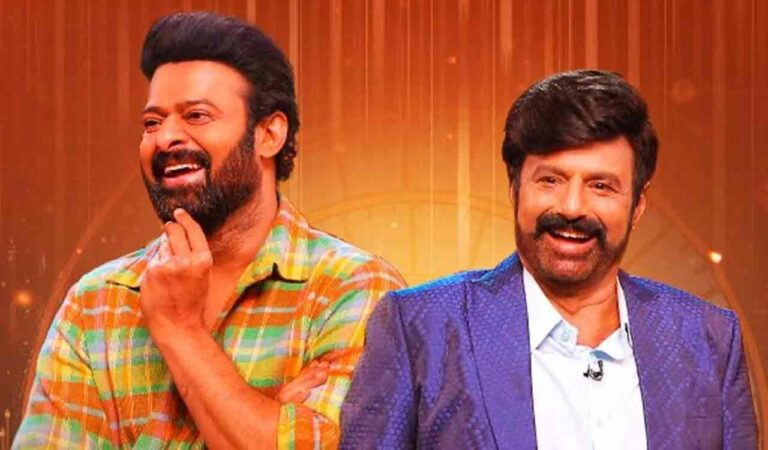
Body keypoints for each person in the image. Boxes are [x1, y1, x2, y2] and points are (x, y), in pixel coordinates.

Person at [14, 12, 404, 449]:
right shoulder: (96, 304)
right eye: (152, 123)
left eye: (196, 115)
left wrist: (180, 329)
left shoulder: (354, 289)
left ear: (269, 134)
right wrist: (263, 424)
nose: (165, 138)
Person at [340, 70, 757, 449]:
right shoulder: (421, 328)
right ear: (515, 188)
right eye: (551, 180)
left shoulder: (709, 339)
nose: (572, 207)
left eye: (601, 186)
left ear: (638, 205)